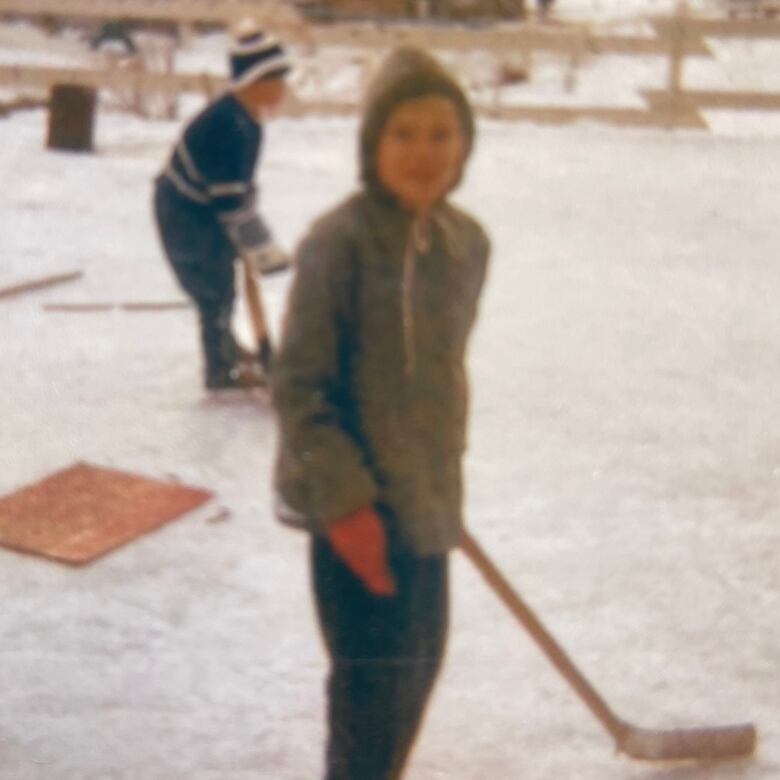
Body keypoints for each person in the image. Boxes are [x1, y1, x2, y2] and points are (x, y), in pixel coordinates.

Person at [271, 47, 490, 780]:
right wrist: (346, 506)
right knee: (371, 697)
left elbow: (434, 379)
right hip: (355, 515)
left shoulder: (465, 244)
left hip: (426, 506)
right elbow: (300, 388)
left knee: (418, 674)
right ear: (373, 145)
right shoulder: (338, 245)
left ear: (464, 144)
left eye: (441, 133)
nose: (424, 153)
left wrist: (440, 489)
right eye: (403, 133)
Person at [153, 21, 290, 390]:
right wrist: (260, 248)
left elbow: (241, 191)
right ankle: (220, 369)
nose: (285, 91)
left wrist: (258, 243)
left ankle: (230, 351)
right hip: (184, 213)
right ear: (255, 82)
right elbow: (230, 202)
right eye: (277, 82)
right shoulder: (228, 126)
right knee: (214, 289)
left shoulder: (249, 122)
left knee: (222, 282)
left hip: (208, 209)